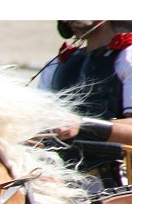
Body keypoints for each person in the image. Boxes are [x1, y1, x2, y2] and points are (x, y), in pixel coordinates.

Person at [35, 20, 132, 190]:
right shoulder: (57, 65)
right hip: (59, 180)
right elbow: (38, 124)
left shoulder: (131, 57)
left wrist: (81, 124)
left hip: (119, 185)